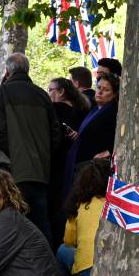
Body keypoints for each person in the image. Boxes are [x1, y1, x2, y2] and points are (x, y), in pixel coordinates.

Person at [0, 52, 62, 243]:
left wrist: (17, 153)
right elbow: (55, 134)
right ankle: (47, 268)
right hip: (40, 172)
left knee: (13, 227)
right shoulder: (42, 95)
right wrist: (42, 157)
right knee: (41, 226)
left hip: (12, 171)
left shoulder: (1, 93)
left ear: (7, 71)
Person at [57, 159, 109, 276]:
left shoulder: (79, 205)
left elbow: (68, 241)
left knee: (62, 250)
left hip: (85, 272)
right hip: (109, 271)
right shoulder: (114, 205)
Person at [48, 76, 90, 245]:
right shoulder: (84, 110)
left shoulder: (57, 110)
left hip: (58, 163)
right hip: (73, 164)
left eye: (51, 90)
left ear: (61, 92)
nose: (49, 93)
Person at [63, 72, 119, 194]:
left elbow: (116, 139)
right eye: (99, 87)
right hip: (79, 165)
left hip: (90, 170)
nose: (99, 92)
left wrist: (108, 151)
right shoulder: (95, 109)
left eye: (106, 90)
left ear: (114, 94)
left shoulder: (111, 112)